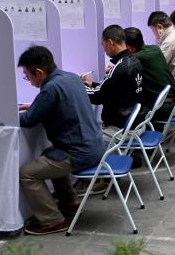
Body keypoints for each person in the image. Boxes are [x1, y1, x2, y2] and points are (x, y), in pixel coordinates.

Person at [18, 46, 104, 235]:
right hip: (95, 145)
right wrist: (36, 105)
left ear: (39, 72)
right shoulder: (71, 77)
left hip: (80, 153)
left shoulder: (50, 89)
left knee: (28, 173)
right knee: (50, 154)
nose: (29, 80)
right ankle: (69, 201)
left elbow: (29, 120)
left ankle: (52, 220)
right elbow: (61, 103)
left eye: (27, 76)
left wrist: (5, 116)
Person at [84, 25, 143, 130]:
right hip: (135, 122)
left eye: (103, 46)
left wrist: (78, 86)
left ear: (110, 43)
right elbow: (114, 87)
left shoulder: (119, 67)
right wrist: (91, 84)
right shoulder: (134, 61)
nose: (104, 50)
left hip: (119, 127)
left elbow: (97, 97)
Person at [124, 27, 175, 121]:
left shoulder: (137, 58)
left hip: (163, 108)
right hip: (174, 102)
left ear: (128, 48)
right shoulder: (155, 49)